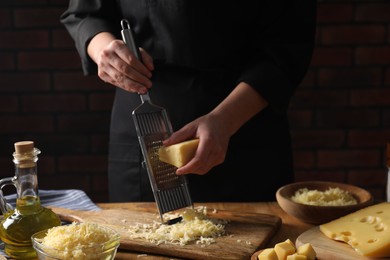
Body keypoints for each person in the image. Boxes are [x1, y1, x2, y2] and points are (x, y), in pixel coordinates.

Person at [60, 1, 317, 203]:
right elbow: (85, 14)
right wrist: (104, 51)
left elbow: (286, 47)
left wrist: (225, 121)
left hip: (245, 126)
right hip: (142, 120)